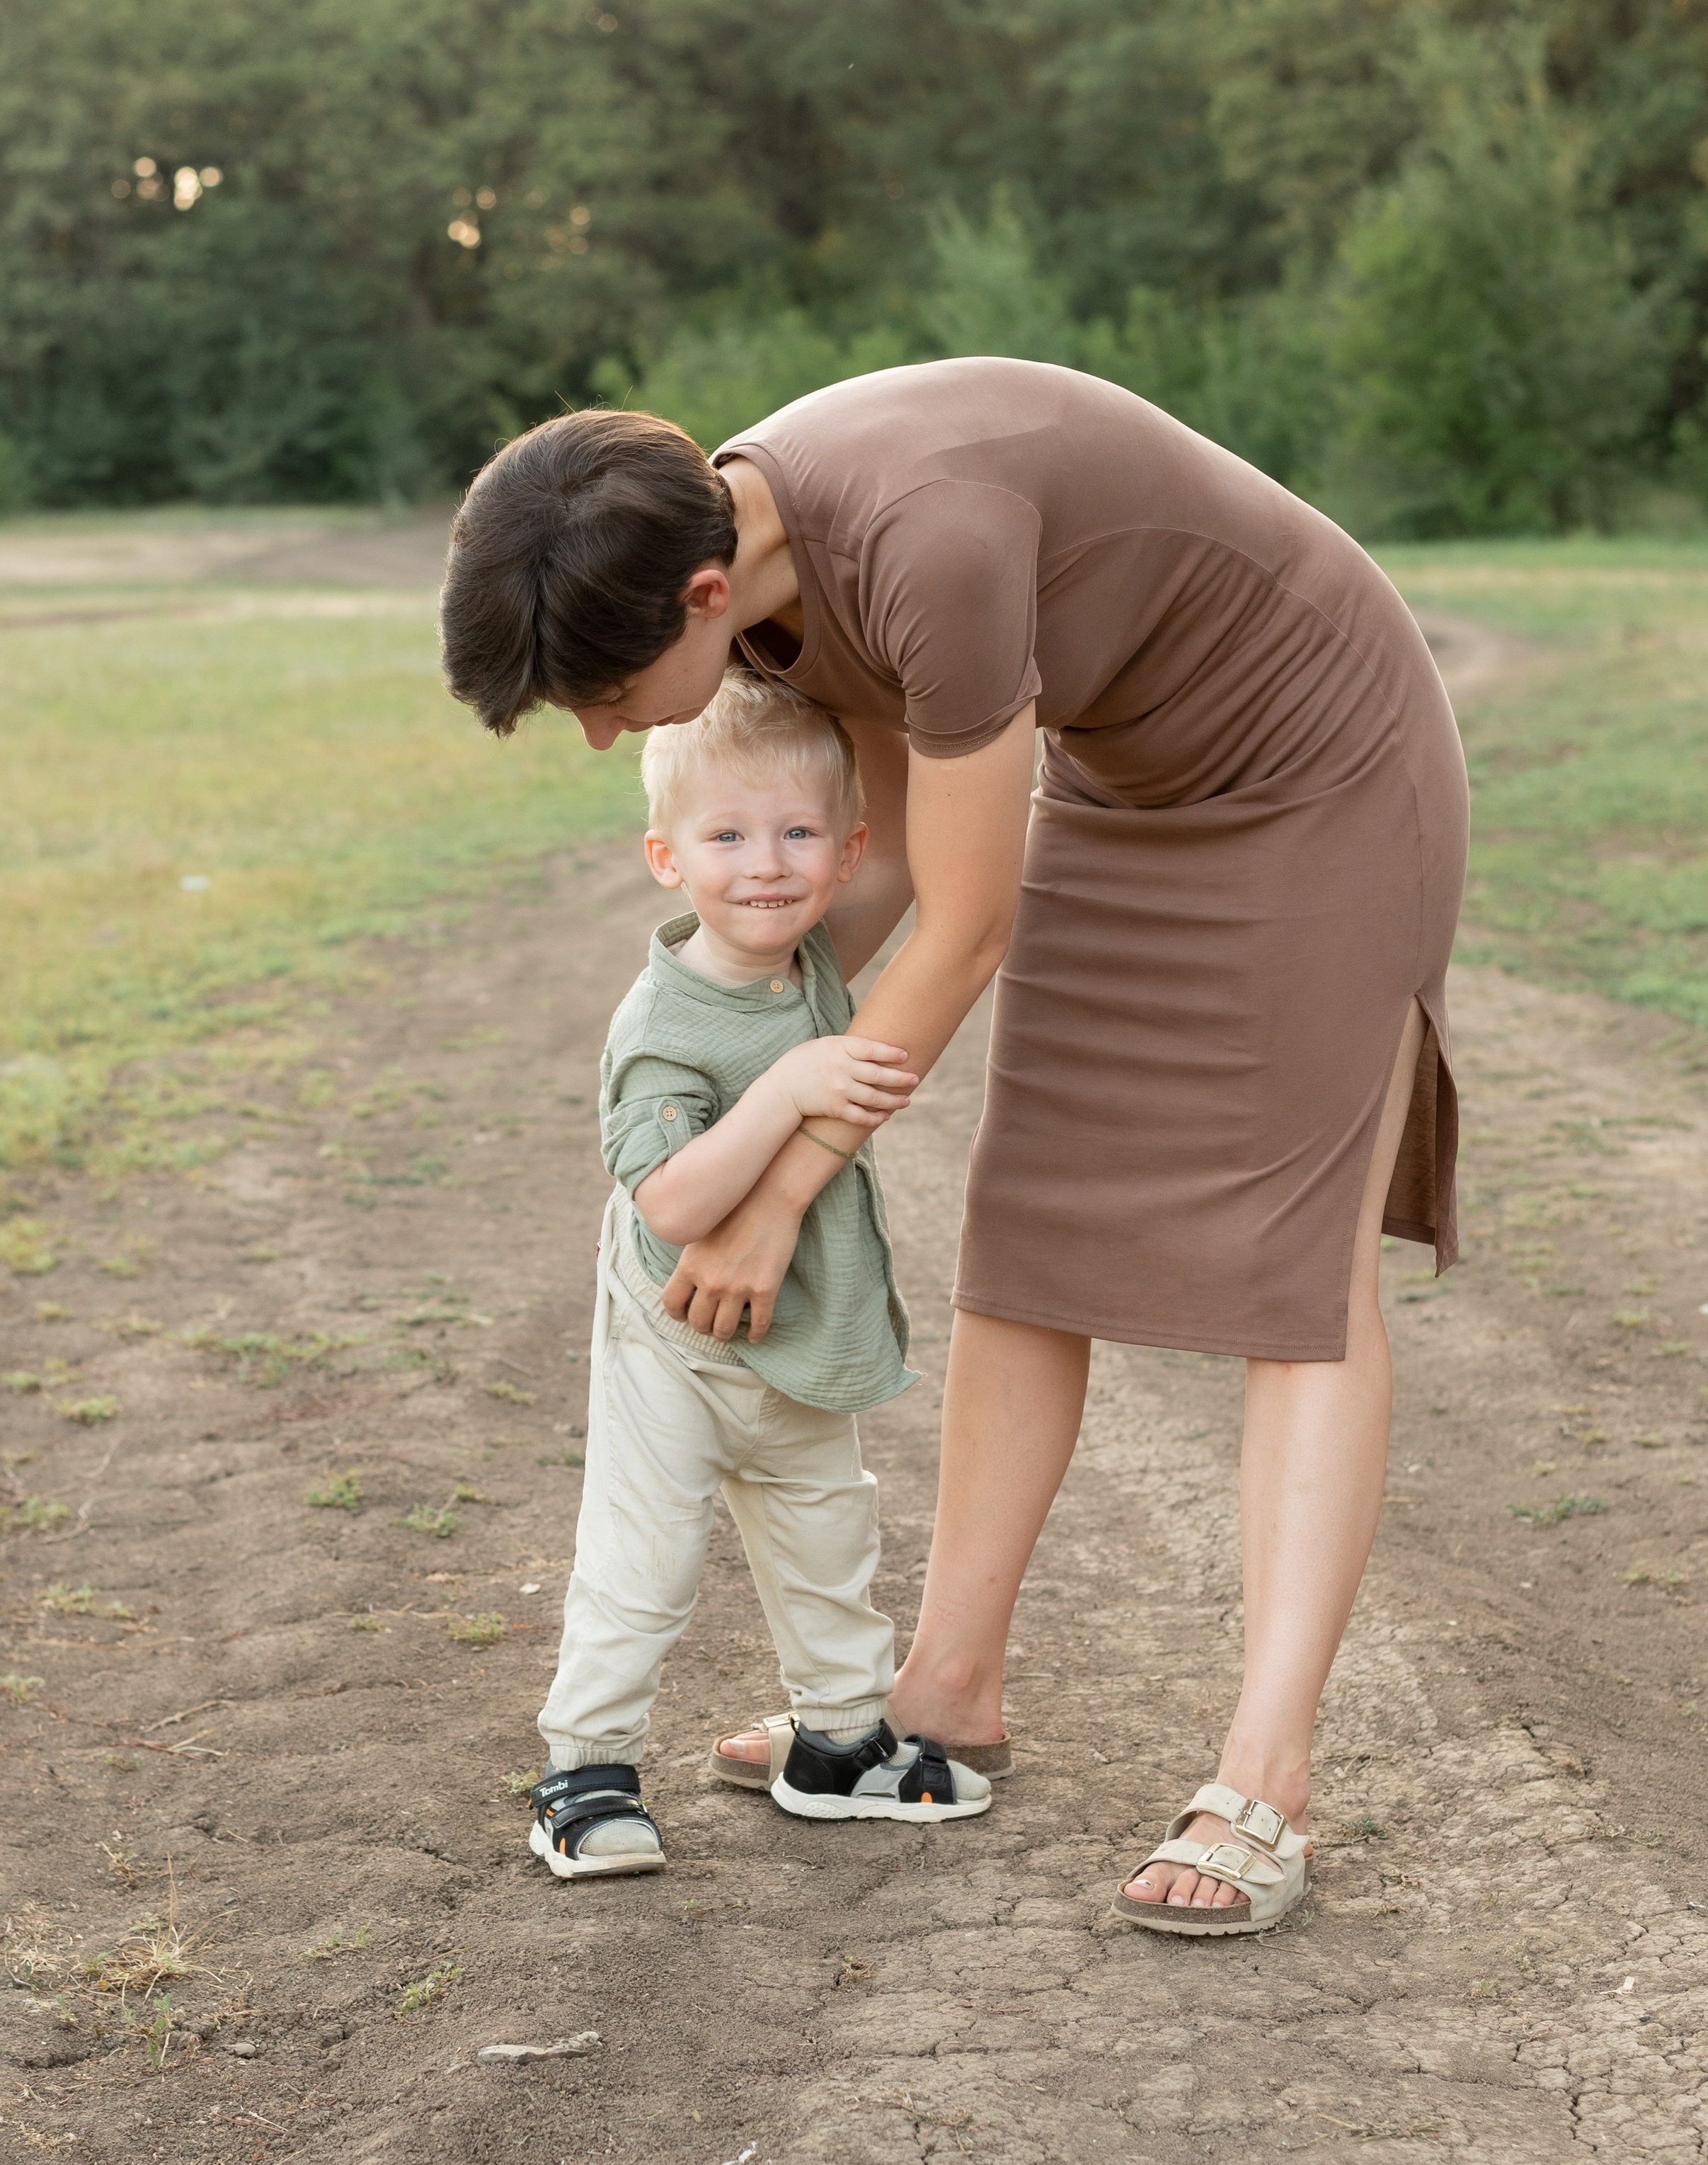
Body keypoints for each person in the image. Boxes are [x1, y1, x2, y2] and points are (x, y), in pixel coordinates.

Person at [442, 359, 1469, 1936]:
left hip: (1319, 770)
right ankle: (946, 1690)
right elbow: (892, 879)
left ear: (700, 597)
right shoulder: (762, 576)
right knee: (1030, 1228)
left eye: (601, 697)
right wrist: (709, 1048)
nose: (598, 737)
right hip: (1125, 786)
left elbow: (968, 922)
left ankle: (1264, 1778)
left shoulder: (928, 541)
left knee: (1296, 1277)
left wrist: (778, 1191)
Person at [525, 672, 992, 1880]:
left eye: (796, 834)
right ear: (667, 858)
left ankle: (838, 1744)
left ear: (841, 855)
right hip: (674, 1340)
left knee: (827, 1534)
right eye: (727, 836)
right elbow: (670, 1199)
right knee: (644, 1559)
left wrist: (869, 672)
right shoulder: (666, 1015)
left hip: (799, 1329)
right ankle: (585, 1771)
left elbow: (922, 877)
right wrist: (789, 1086)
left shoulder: (816, 955)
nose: (765, 864)